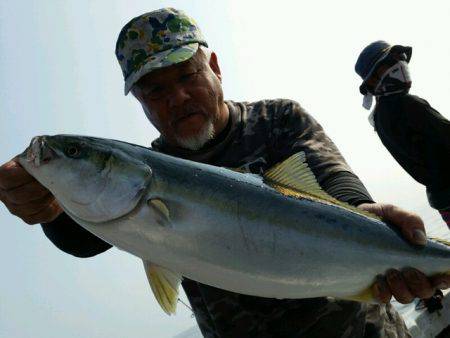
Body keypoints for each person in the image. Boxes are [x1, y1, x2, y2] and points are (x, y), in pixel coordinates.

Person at [0, 8, 449, 338]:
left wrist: (367, 216)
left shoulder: (278, 120)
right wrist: (47, 207)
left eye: (187, 75)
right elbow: (80, 236)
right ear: (139, 101)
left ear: (214, 67)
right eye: (155, 90)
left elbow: (336, 185)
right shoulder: (139, 180)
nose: (176, 97)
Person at [355, 41, 450, 229]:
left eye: (401, 59)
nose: (400, 64)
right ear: (373, 81)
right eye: (391, 62)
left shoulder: (380, 118)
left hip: (442, 201)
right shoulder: (407, 104)